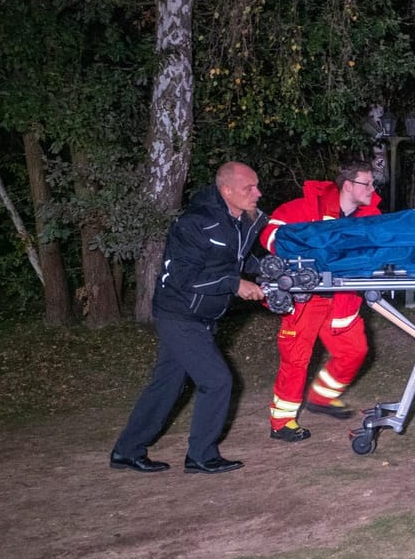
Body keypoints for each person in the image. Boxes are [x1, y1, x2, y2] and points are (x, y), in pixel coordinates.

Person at [110, 162, 268, 475]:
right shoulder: (195, 224)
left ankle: (127, 451)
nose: (258, 193)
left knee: (167, 385)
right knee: (217, 380)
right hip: (180, 313)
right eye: (249, 188)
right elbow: (182, 277)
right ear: (226, 191)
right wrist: (233, 284)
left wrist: (266, 269)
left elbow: (234, 258)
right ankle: (201, 455)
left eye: (257, 186)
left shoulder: (243, 220)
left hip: (204, 314)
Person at [259, 161, 383, 441]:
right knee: (296, 359)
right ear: (348, 185)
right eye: (367, 183)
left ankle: (322, 397)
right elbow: (271, 234)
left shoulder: (371, 216)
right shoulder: (305, 207)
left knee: (355, 351)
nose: (372, 189)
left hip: (343, 299)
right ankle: (281, 422)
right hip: (306, 299)